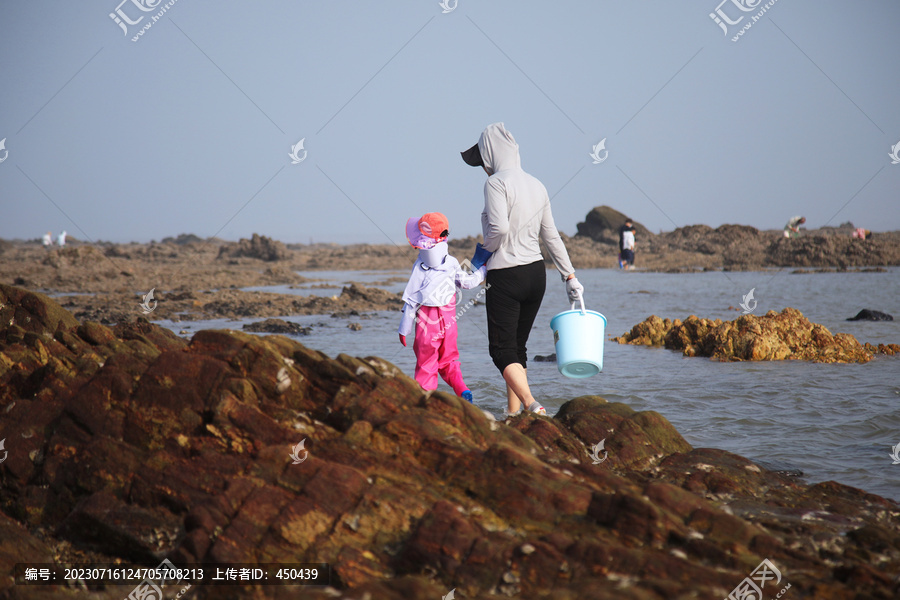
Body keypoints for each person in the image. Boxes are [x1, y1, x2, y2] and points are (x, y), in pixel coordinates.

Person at [461, 122, 584, 418]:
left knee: (501, 351)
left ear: (491, 154)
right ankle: (514, 416)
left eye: (483, 161)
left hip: (506, 275)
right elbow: (551, 236)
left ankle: (532, 404)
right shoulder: (536, 184)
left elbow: (499, 228)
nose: (484, 168)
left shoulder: (495, 184)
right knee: (517, 349)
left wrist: (484, 251)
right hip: (535, 275)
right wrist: (570, 276)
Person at [398, 212, 487, 403]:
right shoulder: (452, 262)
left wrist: (403, 329)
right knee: (449, 360)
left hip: (426, 324)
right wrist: (484, 269)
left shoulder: (420, 265)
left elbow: (411, 300)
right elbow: (469, 283)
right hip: (449, 322)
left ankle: (425, 402)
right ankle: (462, 390)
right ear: (445, 237)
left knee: (426, 363)